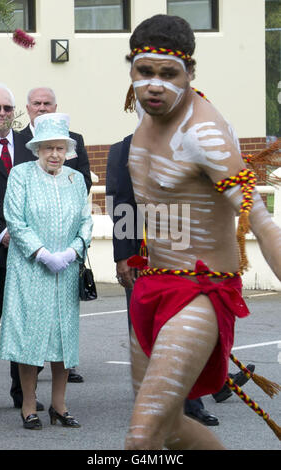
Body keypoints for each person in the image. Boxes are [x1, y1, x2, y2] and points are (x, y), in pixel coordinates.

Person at [113, 15, 281, 450]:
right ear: (131, 67)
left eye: (168, 75)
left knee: (140, 441)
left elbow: (259, 219)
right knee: (166, 429)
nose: (154, 85)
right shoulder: (145, 118)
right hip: (152, 288)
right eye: (144, 71)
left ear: (190, 74)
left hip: (200, 293)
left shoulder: (204, 133)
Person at [107, 136, 255, 427]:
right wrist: (125, 255)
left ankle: (200, 393)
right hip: (148, 258)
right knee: (153, 330)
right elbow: (122, 204)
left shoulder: (191, 138)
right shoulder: (123, 149)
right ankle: (168, 400)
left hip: (193, 254)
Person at [0, 112, 93, 429]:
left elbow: (86, 220)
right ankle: (28, 404)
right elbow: (15, 218)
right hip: (29, 269)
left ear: (68, 151)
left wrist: (72, 251)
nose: (54, 154)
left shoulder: (75, 179)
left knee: (63, 338)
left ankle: (59, 405)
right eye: (48, 148)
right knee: (30, 337)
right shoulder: (22, 175)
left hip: (65, 269)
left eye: (60, 148)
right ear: (37, 148)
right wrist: (41, 252)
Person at [0, 83, 37, 408]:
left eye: (8, 108)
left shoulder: (30, 146)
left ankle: (24, 395)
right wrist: (1, 233)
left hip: (27, 256)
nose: (3, 114)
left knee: (25, 327)